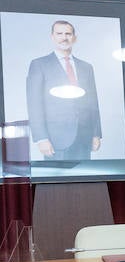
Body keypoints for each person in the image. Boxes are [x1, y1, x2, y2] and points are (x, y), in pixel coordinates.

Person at [26, 19, 101, 160]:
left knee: (86, 179)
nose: (64, 37)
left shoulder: (86, 67)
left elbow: (93, 103)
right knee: (57, 180)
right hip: (55, 139)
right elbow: (34, 104)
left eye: (68, 33)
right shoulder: (39, 64)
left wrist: (96, 134)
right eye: (59, 33)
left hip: (84, 137)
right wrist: (41, 138)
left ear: (74, 38)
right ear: (52, 37)